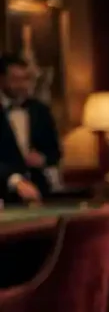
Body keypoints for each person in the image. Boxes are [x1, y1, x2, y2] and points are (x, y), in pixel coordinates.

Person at [0, 54, 61, 203]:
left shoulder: (40, 110)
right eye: (16, 80)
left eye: (26, 79)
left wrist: (43, 159)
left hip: (40, 193)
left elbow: (55, 152)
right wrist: (15, 181)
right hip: (5, 195)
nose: (23, 85)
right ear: (1, 79)